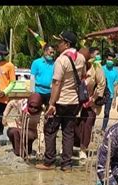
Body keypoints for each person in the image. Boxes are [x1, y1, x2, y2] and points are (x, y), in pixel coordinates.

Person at [35, 31, 86, 172]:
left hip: (60, 101)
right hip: (74, 101)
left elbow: (56, 83)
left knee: (50, 130)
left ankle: (49, 161)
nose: (58, 45)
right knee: (68, 132)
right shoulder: (81, 58)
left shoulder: (61, 60)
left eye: (60, 42)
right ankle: (67, 164)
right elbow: (83, 77)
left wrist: (51, 104)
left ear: (67, 44)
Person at [74, 47, 106, 159]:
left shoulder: (96, 66)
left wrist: (92, 99)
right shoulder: (75, 65)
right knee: (74, 123)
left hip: (91, 101)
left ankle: (83, 149)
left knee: (88, 124)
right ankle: (71, 146)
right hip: (75, 100)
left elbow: (101, 84)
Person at [3, 93, 44, 157]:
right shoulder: (22, 104)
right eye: (31, 106)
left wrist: (40, 149)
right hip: (21, 126)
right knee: (11, 131)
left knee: (23, 133)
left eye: (35, 107)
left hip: (33, 131)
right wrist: (4, 116)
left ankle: (25, 150)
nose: (33, 109)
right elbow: (11, 103)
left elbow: (42, 131)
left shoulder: (42, 113)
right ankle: (18, 152)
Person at [101, 51, 118, 131]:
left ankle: (103, 128)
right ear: (106, 59)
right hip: (101, 93)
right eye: (109, 59)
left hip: (110, 95)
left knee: (106, 112)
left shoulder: (116, 72)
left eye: (111, 60)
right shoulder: (101, 69)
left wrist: (115, 99)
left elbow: (116, 86)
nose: (110, 61)